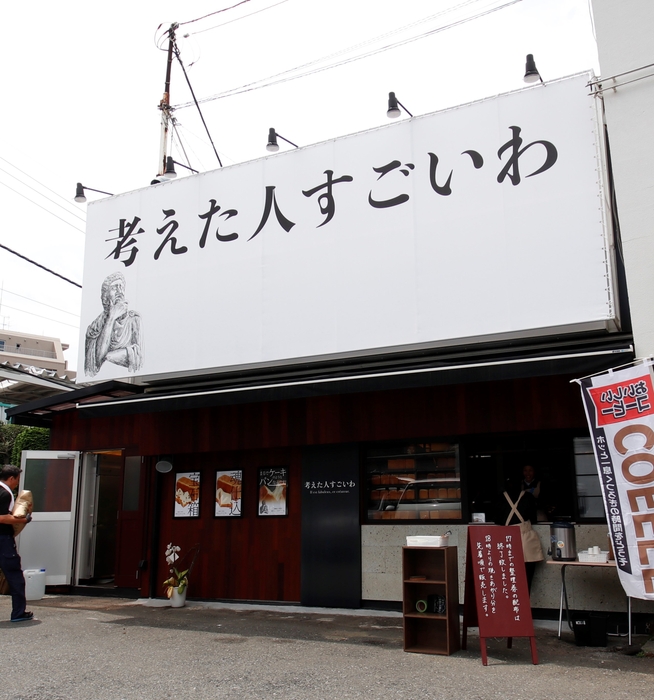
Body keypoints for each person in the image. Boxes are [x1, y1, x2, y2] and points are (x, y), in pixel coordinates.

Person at [85, 272, 143, 376]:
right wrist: (112, 317)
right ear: (106, 296)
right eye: (114, 288)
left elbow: (138, 355)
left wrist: (111, 356)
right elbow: (98, 360)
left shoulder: (134, 319)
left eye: (121, 287)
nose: (119, 292)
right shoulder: (95, 326)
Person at [494, 481, 543, 592]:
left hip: (506, 540)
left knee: (508, 578)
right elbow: (533, 519)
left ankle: (511, 602)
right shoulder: (528, 497)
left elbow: (497, 519)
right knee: (526, 578)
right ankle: (525, 601)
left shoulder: (500, 498)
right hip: (526, 540)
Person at [0, 465, 33, 622]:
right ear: (11, 478)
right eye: (17, 480)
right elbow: (1, 517)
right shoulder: (4, 493)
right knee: (15, 576)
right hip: (3, 539)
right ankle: (18, 613)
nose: (17, 483)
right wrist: (24, 519)